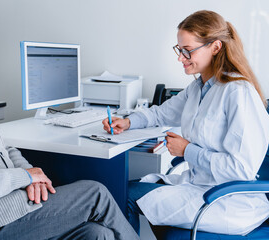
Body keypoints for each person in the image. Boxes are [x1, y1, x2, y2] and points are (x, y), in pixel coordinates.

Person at [0, 20, 140, 240]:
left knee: (97, 234)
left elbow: (5, 149)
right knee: (95, 194)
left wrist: (32, 176)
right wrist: (23, 176)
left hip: (12, 209)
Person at [103, 10, 269, 236]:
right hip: (198, 185)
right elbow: (160, 114)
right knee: (124, 188)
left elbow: (240, 169)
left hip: (226, 199)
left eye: (187, 51)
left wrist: (187, 150)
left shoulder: (238, 93)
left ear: (216, 47)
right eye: (179, 50)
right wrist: (128, 122)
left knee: (125, 196)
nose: (180, 58)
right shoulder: (199, 87)